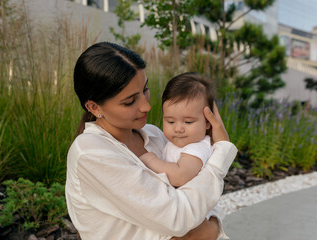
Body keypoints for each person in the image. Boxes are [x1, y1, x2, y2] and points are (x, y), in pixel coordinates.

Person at [65, 42, 237, 240]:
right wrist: (221, 154)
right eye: (130, 101)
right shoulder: (91, 153)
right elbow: (179, 218)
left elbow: (195, 201)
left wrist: (208, 224)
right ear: (94, 107)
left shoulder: (153, 135)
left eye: (145, 89)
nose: (146, 106)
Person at [139, 72, 215, 187]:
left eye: (188, 122)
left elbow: (179, 176)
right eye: (170, 121)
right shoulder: (179, 144)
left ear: (207, 122)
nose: (178, 129)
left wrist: (150, 160)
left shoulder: (198, 148)